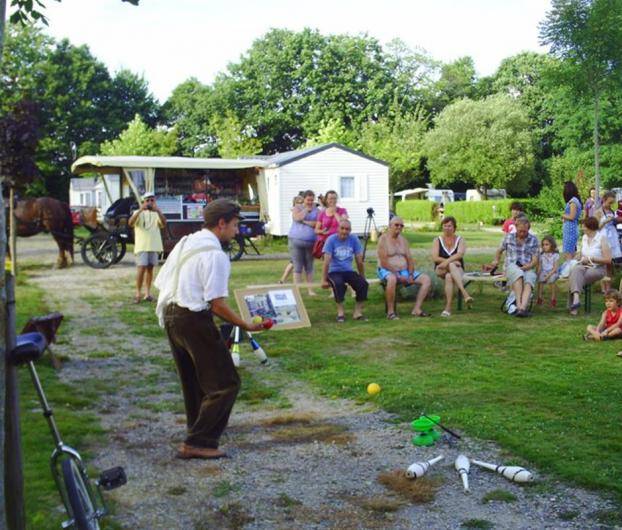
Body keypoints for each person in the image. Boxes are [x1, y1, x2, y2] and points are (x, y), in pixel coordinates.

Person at [154, 199, 264, 459]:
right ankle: (200, 441)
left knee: (194, 382)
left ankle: (197, 431)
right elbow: (216, 303)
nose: (237, 232)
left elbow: (164, 281)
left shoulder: (187, 242)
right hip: (192, 318)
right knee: (225, 383)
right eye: (235, 226)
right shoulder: (215, 255)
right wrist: (244, 323)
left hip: (172, 315)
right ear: (221, 223)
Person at [377, 216, 432, 319]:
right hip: (386, 270)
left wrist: (411, 274)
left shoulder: (404, 240)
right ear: (390, 226)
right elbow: (383, 262)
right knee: (392, 279)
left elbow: (409, 259)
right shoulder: (383, 239)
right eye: (396, 225)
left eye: (401, 225)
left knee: (426, 279)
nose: (399, 227)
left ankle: (416, 309)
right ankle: (390, 312)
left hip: (404, 271)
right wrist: (397, 275)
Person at [490, 217, 539, 317]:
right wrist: (496, 260)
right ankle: (519, 305)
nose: (522, 233)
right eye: (520, 231)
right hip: (512, 265)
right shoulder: (508, 237)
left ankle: (522, 308)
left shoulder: (533, 239)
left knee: (530, 279)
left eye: (524, 231)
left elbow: (535, 260)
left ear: (528, 229)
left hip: (527, 266)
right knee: (518, 274)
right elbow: (499, 250)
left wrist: (528, 266)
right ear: (516, 227)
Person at [321, 219, 368, 322]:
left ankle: (357, 312)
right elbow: (326, 261)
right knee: (338, 284)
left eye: (347, 229)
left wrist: (362, 276)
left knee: (363, 284)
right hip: (334, 271)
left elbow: (359, 261)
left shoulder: (354, 239)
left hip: (348, 271)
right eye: (342, 228)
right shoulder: (331, 240)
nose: (344, 231)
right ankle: (340, 312)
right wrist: (323, 280)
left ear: (350, 230)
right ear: (338, 229)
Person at [568, 216, 612, 316]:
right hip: (584, 265)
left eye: (583, 226)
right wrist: (578, 257)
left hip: (598, 268)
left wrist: (592, 259)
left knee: (574, 277)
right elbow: (582, 253)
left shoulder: (602, 239)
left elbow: (608, 260)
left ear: (590, 227)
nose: (582, 228)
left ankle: (574, 305)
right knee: (576, 269)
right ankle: (576, 299)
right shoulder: (584, 238)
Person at [128, 192, 167, 304]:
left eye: (152, 200)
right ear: (143, 202)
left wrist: (158, 211)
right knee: (141, 269)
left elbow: (164, 223)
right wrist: (141, 210)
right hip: (142, 246)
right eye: (147, 200)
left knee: (150, 269)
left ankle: (147, 293)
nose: (150, 202)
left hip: (154, 245)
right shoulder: (137, 212)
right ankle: (137, 293)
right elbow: (130, 223)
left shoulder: (156, 213)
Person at [432, 216, 471, 317]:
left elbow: (460, 254)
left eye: (449, 226)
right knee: (452, 264)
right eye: (445, 226)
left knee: (449, 276)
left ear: (454, 227)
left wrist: (448, 263)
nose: (447, 228)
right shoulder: (437, 240)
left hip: (456, 269)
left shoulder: (460, 240)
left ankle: (448, 308)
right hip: (440, 269)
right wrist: (449, 262)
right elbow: (435, 258)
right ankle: (464, 293)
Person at [288, 190, 319, 295]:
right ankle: (297, 291)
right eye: (308, 200)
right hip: (295, 241)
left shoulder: (317, 210)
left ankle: (310, 289)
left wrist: (305, 222)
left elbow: (317, 224)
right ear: (304, 199)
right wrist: (306, 210)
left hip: (311, 242)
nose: (310, 202)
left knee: (309, 266)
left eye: (312, 200)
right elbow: (297, 218)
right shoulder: (297, 208)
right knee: (297, 265)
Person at [594, 190, 622, 291]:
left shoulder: (611, 211)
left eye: (612, 203)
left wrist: (616, 220)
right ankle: (603, 288)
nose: (610, 205)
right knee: (603, 265)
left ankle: (609, 287)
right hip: (603, 238)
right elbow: (595, 228)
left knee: (610, 264)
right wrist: (606, 221)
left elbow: (614, 221)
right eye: (609, 202)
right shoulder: (598, 212)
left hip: (612, 238)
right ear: (604, 200)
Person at [278, 195, 304, 284]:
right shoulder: (295, 212)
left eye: (302, 202)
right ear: (295, 203)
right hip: (295, 238)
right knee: (295, 261)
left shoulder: (299, 212)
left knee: (295, 261)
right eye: (298, 203)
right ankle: (286, 280)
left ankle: (283, 280)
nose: (300, 204)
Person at [536, 235, 560, 307]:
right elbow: (540, 266)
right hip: (544, 271)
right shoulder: (541, 254)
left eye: (547, 244)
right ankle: (539, 298)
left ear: (552, 245)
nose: (544, 246)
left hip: (553, 271)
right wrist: (537, 274)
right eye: (543, 245)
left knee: (552, 280)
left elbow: (555, 268)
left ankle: (553, 299)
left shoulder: (555, 255)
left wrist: (548, 275)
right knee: (540, 280)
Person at [562, 181, 583, 260]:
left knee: (568, 254)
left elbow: (572, 217)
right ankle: (571, 269)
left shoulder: (573, 202)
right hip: (572, 228)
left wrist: (563, 215)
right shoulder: (575, 200)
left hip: (570, 230)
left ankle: (570, 270)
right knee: (571, 252)